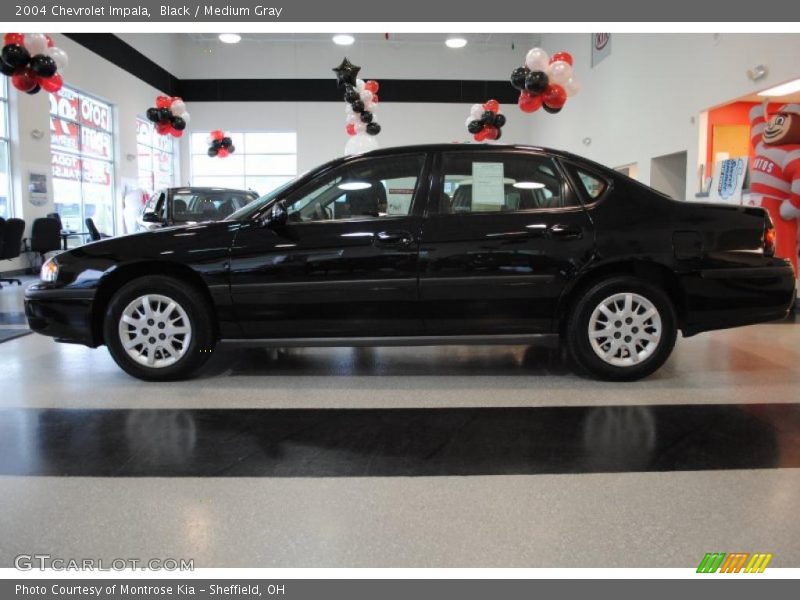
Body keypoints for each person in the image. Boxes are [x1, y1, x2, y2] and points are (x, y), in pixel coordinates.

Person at [748, 101, 800, 273]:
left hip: (778, 215)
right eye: (774, 120)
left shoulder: (793, 153)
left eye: (781, 121)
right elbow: (757, 130)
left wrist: (791, 206)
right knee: (760, 250)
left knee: (781, 252)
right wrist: (756, 112)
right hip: (758, 212)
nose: (772, 125)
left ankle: (788, 283)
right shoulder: (763, 145)